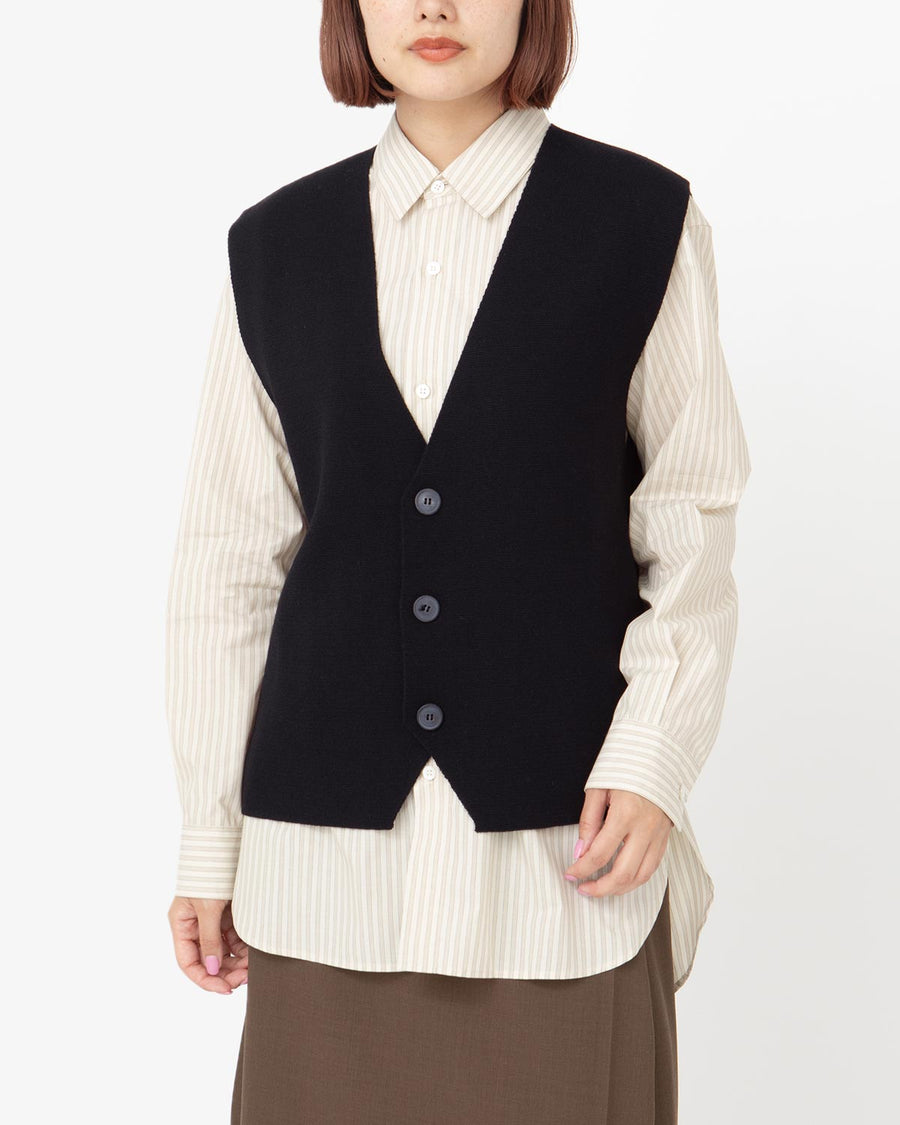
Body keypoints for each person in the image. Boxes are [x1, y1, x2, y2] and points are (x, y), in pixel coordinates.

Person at [165, 2, 751, 1122]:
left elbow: (691, 519)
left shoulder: (642, 222)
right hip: (324, 872)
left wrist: (653, 755)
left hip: (560, 868)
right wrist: (209, 835)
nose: (433, 7)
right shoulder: (274, 247)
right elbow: (228, 564)